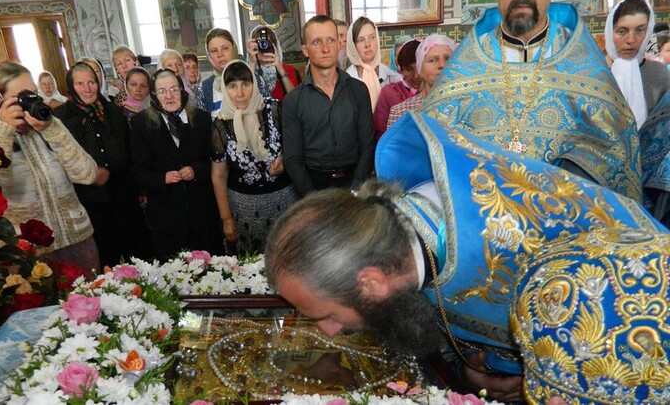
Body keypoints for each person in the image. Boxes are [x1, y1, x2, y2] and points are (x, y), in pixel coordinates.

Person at [266, 114, 668, 404]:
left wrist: (532, 377)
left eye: (326, 315)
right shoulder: (399, 243)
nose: (330, 332)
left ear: (371, 282)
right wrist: (474, 372)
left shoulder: (510, 244)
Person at [419, 0, 642, 203]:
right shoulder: (467, 64)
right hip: (481, 212)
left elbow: (615, 152)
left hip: (567, 214)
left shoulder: (581, 60)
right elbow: (428, 146)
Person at [0, 61, 101, 276]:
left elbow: (87, 174)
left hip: (77, 241)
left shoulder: (49, 124)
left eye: (32, 94)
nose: (30, 103)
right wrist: (3, 133)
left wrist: (52, 130)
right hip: (28, 254)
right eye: (20, 98)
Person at [54, 62, 147, 266]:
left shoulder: (113, 111)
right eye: (80, 84)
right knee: (105, 256)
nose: (87, 89)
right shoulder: (61, 117)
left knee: (136, 252)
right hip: (89, 198)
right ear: (71, 87)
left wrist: (139, 187)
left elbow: (129, 150)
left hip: (123, 193)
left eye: (91, 82)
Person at [130, 69, 223, 259]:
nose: (169, 96)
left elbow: (215, 161)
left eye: (174, 89)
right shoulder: (141, 124)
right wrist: (162, 178)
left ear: (182, 90)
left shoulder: (202, 119)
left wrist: (195, 170)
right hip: (166, 216)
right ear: (154, 95)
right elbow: (138, 170)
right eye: (162, 91)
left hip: (202, 212)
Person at [210, 60, 296, 254]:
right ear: (225, 89)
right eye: (232, 86)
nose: (240, 93)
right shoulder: (220, 124)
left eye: (245, 84)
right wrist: (227, 219)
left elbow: (295, 146)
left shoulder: (274, 109)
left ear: (254, 84)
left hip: (283, 201)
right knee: (251, 264)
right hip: (244, 209)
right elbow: (219, 175)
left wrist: (284, 160)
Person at [282, 15, 375, 196]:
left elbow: (368, 145)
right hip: (313, 185)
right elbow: (293, 159)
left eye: (331, 40)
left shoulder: (358, 90)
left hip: (355, 181)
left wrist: (356, 188)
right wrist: (313, 198)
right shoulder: (293, 101)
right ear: (305, 50)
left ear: (339, 44)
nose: (325, 49)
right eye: (317, 42)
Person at [605, 0, 670, 128]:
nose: (631, 40)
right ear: (609, 32)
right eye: (622, 31)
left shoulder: (659, 73)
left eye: (640, 30)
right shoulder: (596, 73)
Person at [196, 28, 271, 118]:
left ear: (234, 49)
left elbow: (269, 116)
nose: (220, 54)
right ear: (209, 56)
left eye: (225, 48)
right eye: (214, 51)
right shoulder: (204, 89)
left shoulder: (256, 80)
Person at [387, 34, 456, 129]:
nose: (442, 65)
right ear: (420, 69)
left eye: (447, 59)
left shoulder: (467, 106)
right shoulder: (401, 112)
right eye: (432, 60)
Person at [346, 16, 402, 112]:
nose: (368, 44)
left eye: (372, 37)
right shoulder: (346, 81)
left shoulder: (393, 78)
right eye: (361, 40)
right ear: (353, 45)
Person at [373, 39, 421, 140]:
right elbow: (381, 135)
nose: (416, 75)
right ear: (400, 69)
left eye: (419, 67)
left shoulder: (437, 93)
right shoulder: (389, 94)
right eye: (409, 69)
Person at [247, 25, 301, 102]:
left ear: (275, 46)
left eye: (267, 43)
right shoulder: (247, 71)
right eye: (260, 43)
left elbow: (295, 99)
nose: (264, 46)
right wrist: (252, 63)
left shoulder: (288, 70)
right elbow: (244, 96)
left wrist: (280, 69)